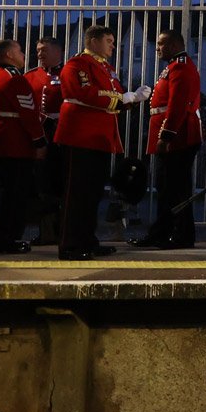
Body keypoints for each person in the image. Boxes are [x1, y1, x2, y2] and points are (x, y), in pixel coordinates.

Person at [54, 25, 150, 260]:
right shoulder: (78, 64)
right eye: (109, 40)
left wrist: (133, 99)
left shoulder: (105, 67)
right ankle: (70, 244)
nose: (113, 45)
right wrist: (123, 98)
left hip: (99, 137)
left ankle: (87, 240)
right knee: (77, 193)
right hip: (80, 135)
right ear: (93, 41)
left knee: (93, 193)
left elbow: (113, 96)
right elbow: (85, 93)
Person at [131, 30, 202, 249]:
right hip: (173, 134)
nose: (158, 48)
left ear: (173, 45)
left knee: (175, 188)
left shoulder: (180, 66)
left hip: (178, 136)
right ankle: (163, 232)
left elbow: (178, 103)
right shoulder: (174, 66)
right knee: (166, 187)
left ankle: (180, 234)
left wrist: (167, 135)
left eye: (161, 44)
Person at [0, 40, 45, 254]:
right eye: (19, 51)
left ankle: (4, 237)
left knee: (9, 192)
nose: (22, 55)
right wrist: (39, 140)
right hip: (15, 142)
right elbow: (28, 113)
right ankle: (5, 239)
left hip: (2, 139)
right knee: (15, 194)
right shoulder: (14, 78)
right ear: (9, 54)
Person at [25, 36, 66, 244]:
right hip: (40, 134)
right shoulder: (31, 76)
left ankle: (63, 230)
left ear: (58, 51)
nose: (40, 53)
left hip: (62, 133)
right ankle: (46, 232)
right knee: (42, 184)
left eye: (44, 50)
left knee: (63, 183)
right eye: (38, 49)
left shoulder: (68, 73)